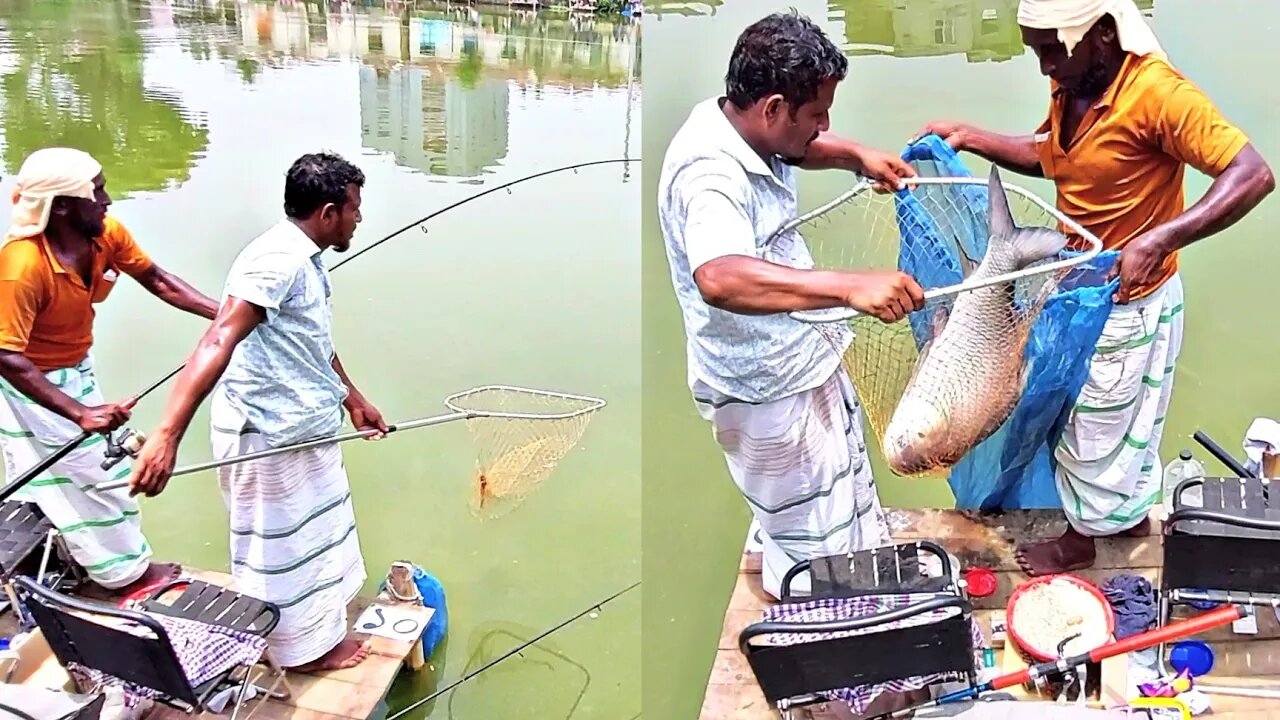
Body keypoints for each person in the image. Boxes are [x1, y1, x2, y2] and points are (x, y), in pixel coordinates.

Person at [919, 0, 1274, 576]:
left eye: (1052, 50)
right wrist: (972, 137)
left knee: (1097, 425)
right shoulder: (1074, 83)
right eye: (1037, 52)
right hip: (1076, 298)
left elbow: (1252, 174)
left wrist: (1158, 240)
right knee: (1103, 423)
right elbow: (1055, 157)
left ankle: (1080, 542)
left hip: (1128, 302)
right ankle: (1124, 515)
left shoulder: (1158, 95)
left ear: (1103, 34)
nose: (1044, 67)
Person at [657, 10, 926, 604]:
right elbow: (720, 277)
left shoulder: (742, 122)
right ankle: (817, 621)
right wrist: (849, 287)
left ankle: (820, 573)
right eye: (816, 116)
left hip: (799, 352)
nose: (824, 126)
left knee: (833, 498)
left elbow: (794, 149)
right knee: (811, 534)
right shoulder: (709, 173)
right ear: (773, 107)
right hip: (764, 385)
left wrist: (855, 155)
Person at [126, 152, 389, 673]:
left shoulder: (305, 256)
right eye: (355, 210)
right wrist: (165, 435)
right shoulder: (277, 261)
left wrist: (353, 398)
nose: (360, 219)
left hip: (301, 427)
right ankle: (298, 653)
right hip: (266, 432)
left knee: (314, 537)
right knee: (277, 549)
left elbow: (310, 342)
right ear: (329, 212)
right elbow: (218, 338)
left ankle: (311, 635)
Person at [0, 147, 219, 597]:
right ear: (61, 205)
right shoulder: (22, 265)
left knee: (62, 474)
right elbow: (5, 355)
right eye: (96, 191)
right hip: (31, 384)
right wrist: (80, 413)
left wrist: (231, 316)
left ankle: (73, 556)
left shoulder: (104, 234)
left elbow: (157, 280)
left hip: (76, 365)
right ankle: (125, 578)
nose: (108, 200)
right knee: (96, 476)